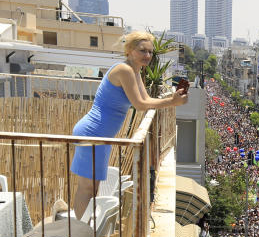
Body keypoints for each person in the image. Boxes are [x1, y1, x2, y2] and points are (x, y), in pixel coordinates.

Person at [69, 31, 188, 215]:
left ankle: (84, 229)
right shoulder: (124, 70)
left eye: (150, 52)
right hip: (93, 132)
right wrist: (171, 102)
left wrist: (171, 100)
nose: (147, 56)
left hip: (101, 136)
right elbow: (140, 105)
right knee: (86, 188)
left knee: (93, 188)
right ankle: (79, 234)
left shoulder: (134, 71)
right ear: (130, 50)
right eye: (142, 51)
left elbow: (146, 99)